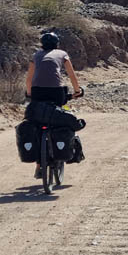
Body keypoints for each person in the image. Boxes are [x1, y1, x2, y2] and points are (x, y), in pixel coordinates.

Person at [26, 32, 84, 179]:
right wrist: (77, 91)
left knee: (39, 125)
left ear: (42, 44)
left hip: (37, 92)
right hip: (56, 92)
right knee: (58, 116)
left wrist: (29, 93)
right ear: (57, 44)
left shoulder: (36, 55)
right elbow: (71, 75)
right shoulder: (62, 54)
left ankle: (39, 165)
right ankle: (58, 148)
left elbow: (29, 79)